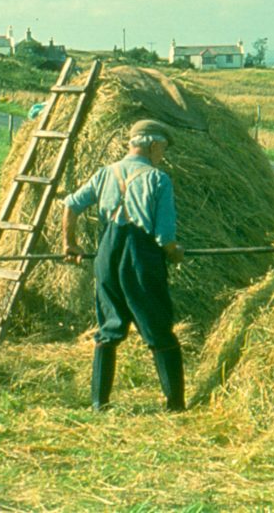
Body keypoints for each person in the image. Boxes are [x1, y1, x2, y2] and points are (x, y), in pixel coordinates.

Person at [61, 119, 187, 411]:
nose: (162, 155)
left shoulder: (106, 173)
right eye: (162, 149)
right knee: (157, 328)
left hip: (107, 256)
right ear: (153, 145)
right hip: (140, 259)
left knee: (109, 328)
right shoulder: (158, 179)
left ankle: (99, 404)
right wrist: (175, 251)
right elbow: (164, 236)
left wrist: (70, 244)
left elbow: (70, 205)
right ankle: (175, 405)